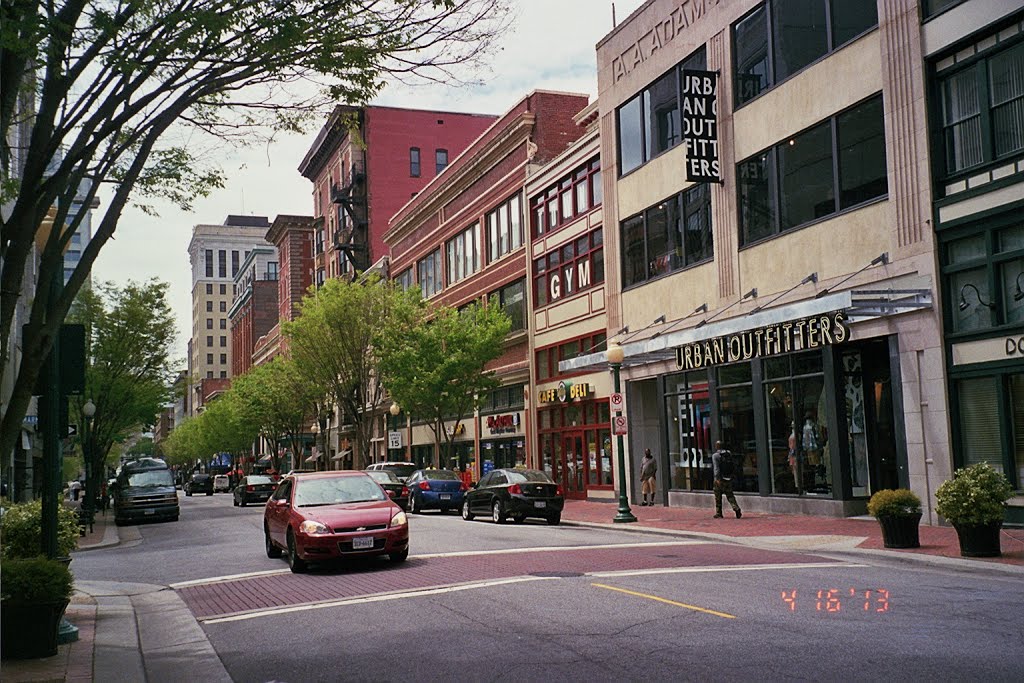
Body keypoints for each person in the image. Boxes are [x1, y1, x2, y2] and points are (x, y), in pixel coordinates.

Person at [712, 440, 741, 519]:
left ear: (717, 446)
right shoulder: (728, 453)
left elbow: (716, 468)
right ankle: (736, 508)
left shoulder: (716, 455)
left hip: (720, 478)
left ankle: (719, 513)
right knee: (730, 495)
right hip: (728, 477)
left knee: (718, 497)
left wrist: (717, 478)